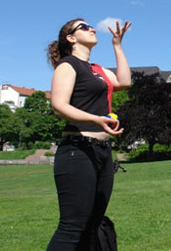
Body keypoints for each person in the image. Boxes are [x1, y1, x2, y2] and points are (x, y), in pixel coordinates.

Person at [46, 18, 132, 250]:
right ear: (71, 38)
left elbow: (124, 81)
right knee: (72, 227)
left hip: (102, 152)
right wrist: (96, 119)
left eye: (91, 25)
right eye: (83, 27)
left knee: (93, 224)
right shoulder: (67, 65)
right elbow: (59, 106)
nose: (91, 28)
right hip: (78, 150)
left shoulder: (97, 70)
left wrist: (117, 45)